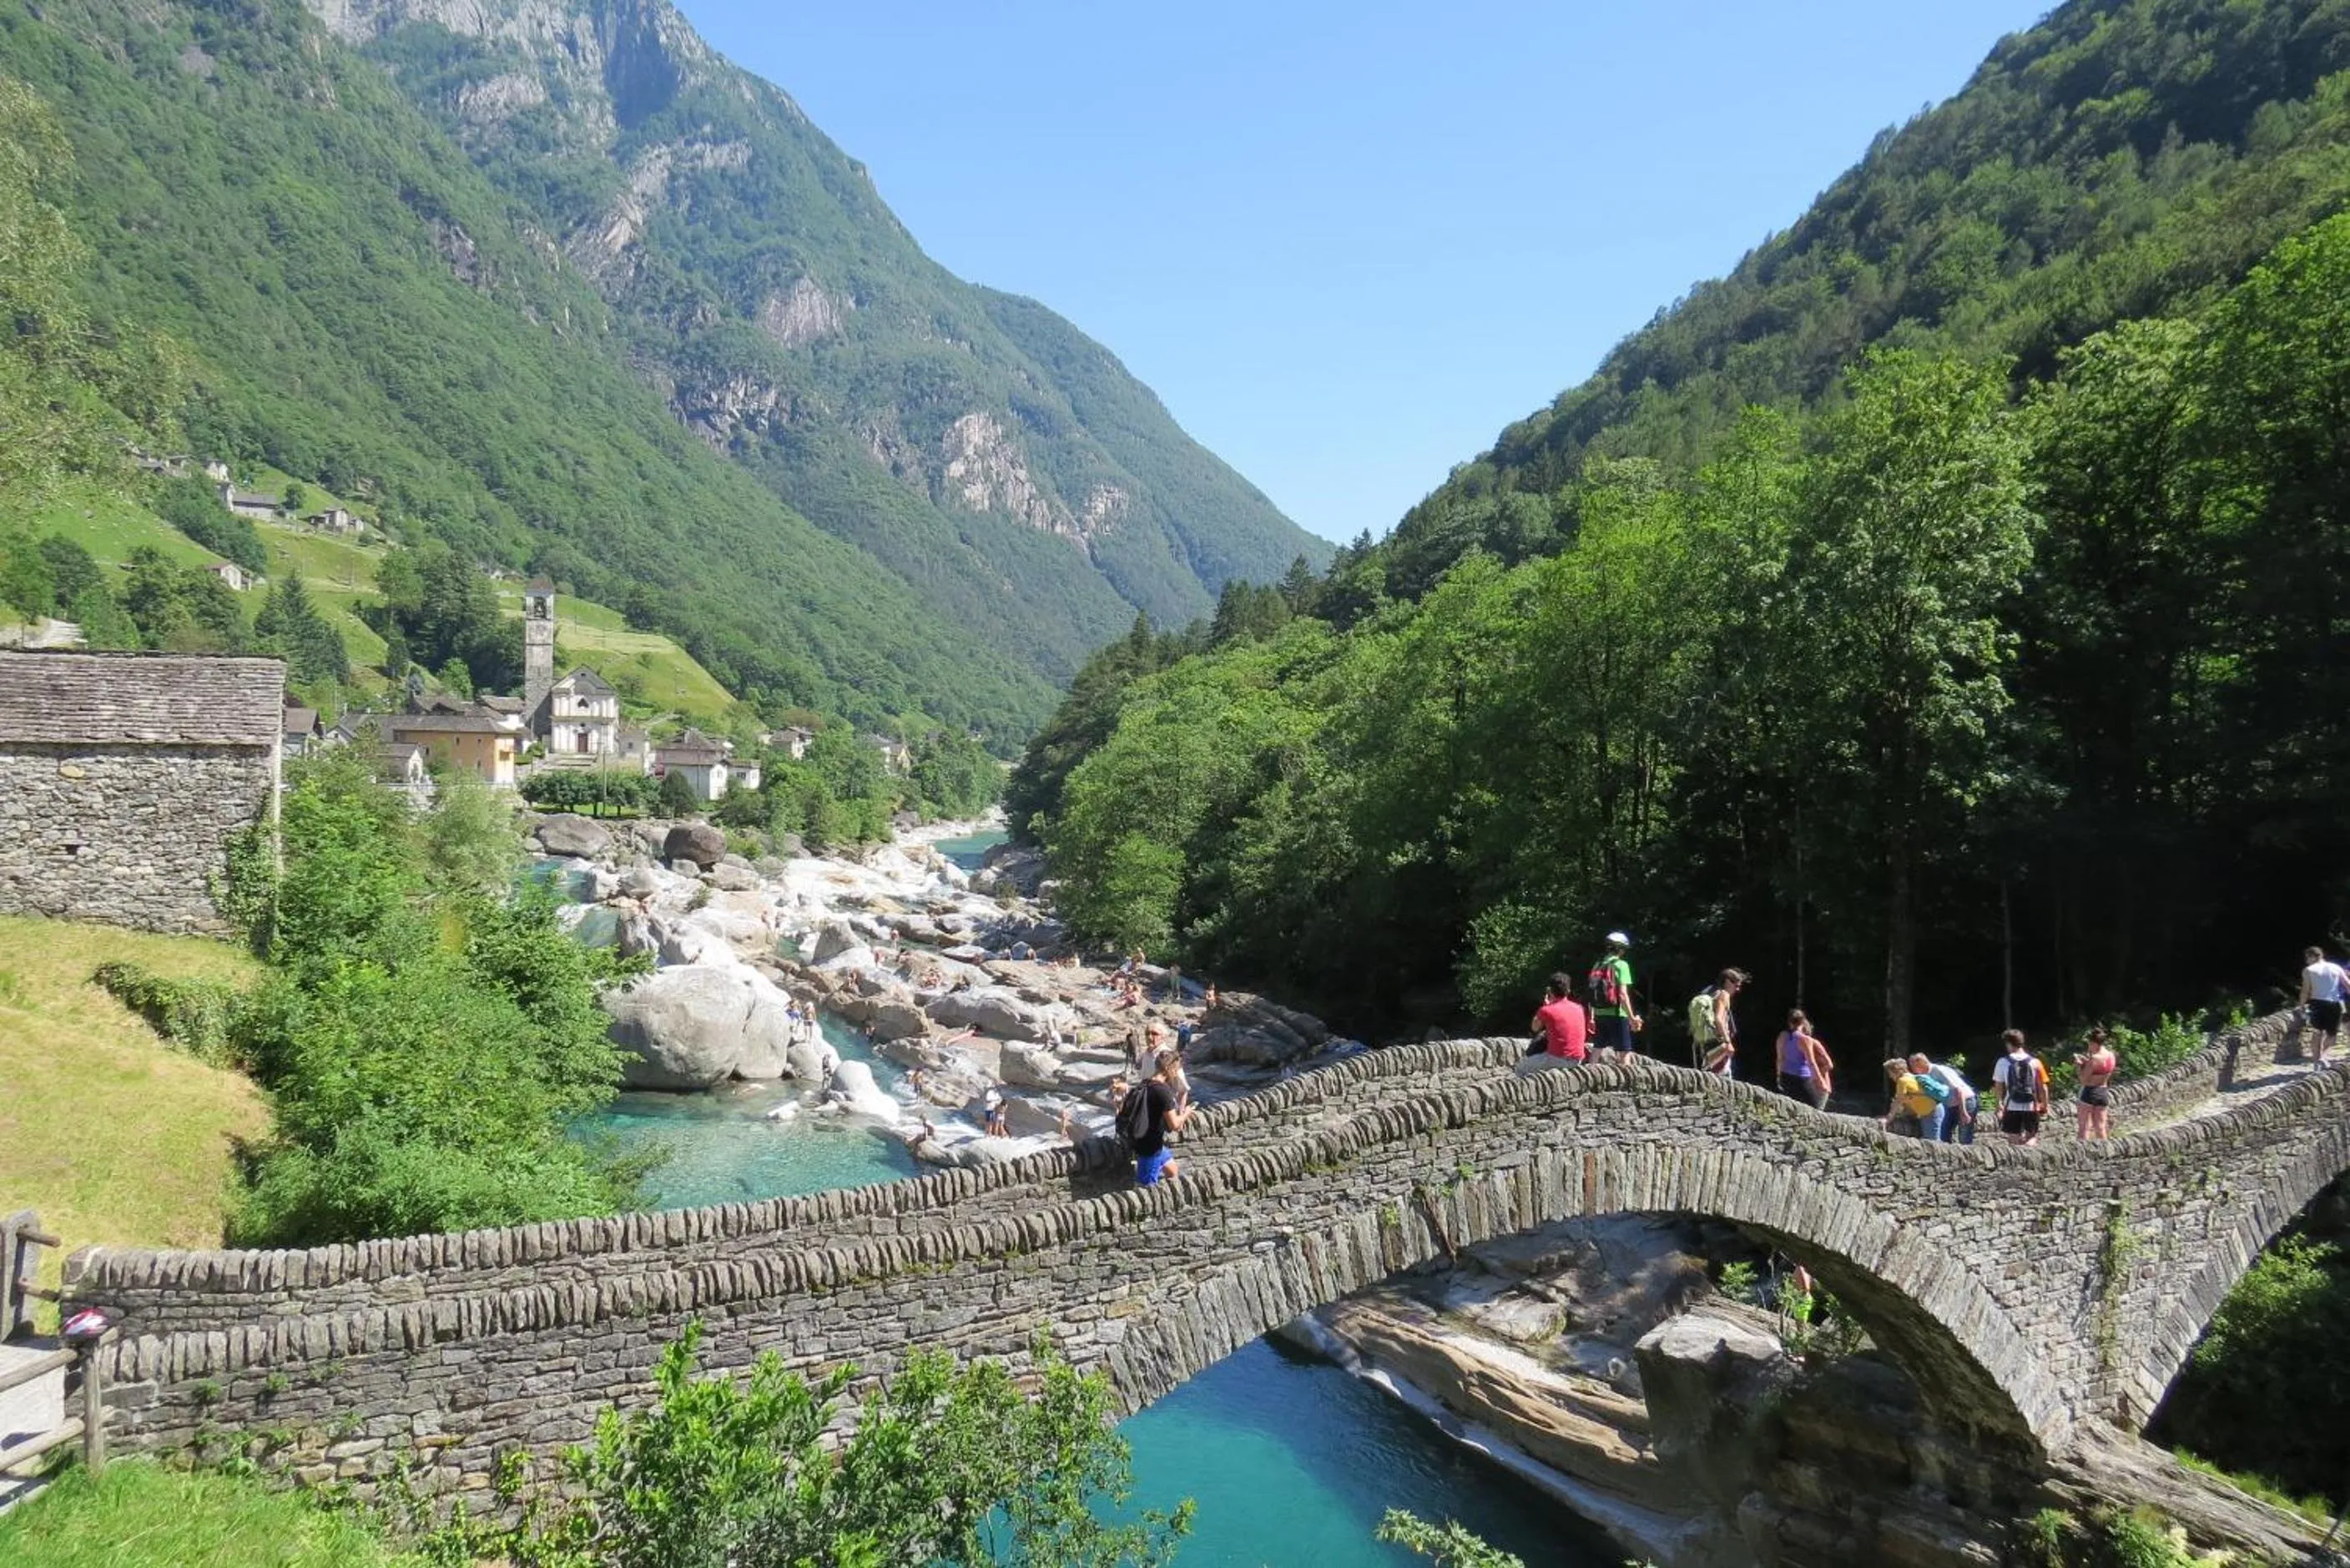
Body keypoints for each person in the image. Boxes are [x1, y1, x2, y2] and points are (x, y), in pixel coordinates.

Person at [1120, 1050, 1194, 1187]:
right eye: (1177, 1069)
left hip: (1145, 1141)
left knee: (1173, 1170)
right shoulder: (1163, 1092)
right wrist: (1186, 1114)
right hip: (1150, 1148)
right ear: (1169, 1069)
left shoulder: (1145, 1083)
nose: (1177, 1073)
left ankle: (1172, 1193)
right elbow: (1174, 1125)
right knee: (1145, 1187)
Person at [1587, 932, 1641, 1058]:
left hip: (1599, 1013)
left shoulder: (1597, 965)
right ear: (1620, 949)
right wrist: (1632, 1018)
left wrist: (1592, 1017)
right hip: (1617, 1013)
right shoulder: (1621, 965)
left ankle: (1590, 1070)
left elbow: (1592, 991)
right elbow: (1622, 995)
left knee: (1597, 1049)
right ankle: (1626, 1073)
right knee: (1624, 1052)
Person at [1992, 1030, 2050, 1146]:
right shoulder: (2036, 1062)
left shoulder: (2002, 1062)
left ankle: (2016, 1157)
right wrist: (2045, 1104)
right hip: (2031, 1106)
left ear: (2009, 1043)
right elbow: (2043, 1087)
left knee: (2013, 1138)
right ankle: (2030, 1154)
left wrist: (1999, 1104)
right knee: (2031, 1137)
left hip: (2011, 1105)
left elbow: (1998, 1085)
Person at [1689, 968, 1747, 1074]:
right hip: (1718, 1043)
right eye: (1736, 985)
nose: (1738, 989)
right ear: (1727, 982)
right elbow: (1718, 1019)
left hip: (1706, 1042)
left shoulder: (1710, 992)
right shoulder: (1723, 995)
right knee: (1721, 1077)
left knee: (1709, 1075)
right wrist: (1728, 1042)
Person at [2302, 946, 2350, 1066]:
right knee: (2332, 1034)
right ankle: (2323, 1057)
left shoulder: (2309, 970)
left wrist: (2302, 1005)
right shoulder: (2336, 967)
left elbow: (2305, 990)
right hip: (2334, 1003)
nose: (2306, 961)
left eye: (2307, 958)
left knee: (2317, 1032)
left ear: (2313, 957)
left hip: (2317, 1004)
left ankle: (2316, 1062)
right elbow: (2348, 985)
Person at [1882, 1056, 1949, 1139]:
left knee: (1932, 1141)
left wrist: (1888, 1119)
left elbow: (1898, 1101)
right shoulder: (1912, 1077)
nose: (1890, 1076)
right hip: (1932, 1111)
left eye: (1890, 1073)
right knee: (1929, 1140)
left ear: (1895, 1071)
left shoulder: (1902, 1081)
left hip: (1931, 1112)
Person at [1776, 1010, 1833, 1108]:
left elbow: (1780, 1059)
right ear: (1803, 1022)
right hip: (1802, 1079)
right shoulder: (1805, 1039)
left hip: (1786, 1077)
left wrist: (1778, 1077)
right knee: (1816, 1107)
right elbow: (1811, 1063)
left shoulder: (1783, 1036)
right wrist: (1821, 1082)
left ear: (1789, 1022)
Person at [1531, 972, 1590, 1062]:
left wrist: (1546, 1006)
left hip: (1557, 1059)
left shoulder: (1546, 1010)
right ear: (1568, 991)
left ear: (1550, 991)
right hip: (1578, 1059)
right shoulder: (1579, 1008)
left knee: (1521, 1067)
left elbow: (1535, 1028)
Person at [2074, 1027, 2119, 1141]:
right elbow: (2101, 1071)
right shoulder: (2111, 1055)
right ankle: (2105, 1149)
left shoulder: (2094, 1059)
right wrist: (2087, 1063)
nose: (2089, 1047)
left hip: (2089, 1092)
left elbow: (2083, 1080)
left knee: (2084, 1128)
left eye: (2089, 1044)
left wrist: (2079, 1066)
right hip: (2103, 1091)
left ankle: (2082, 1150)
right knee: (2100, 1127)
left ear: (2094, 1043)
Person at [1924, 1053, 1978, 1144]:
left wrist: (1963, 1111)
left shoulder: (1938, 1070)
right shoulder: (1929, 1073)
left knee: (1964, 1136)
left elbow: (1959, 1090)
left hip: (1965, 1100)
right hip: (1950, 1104)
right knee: (1944, 1134)